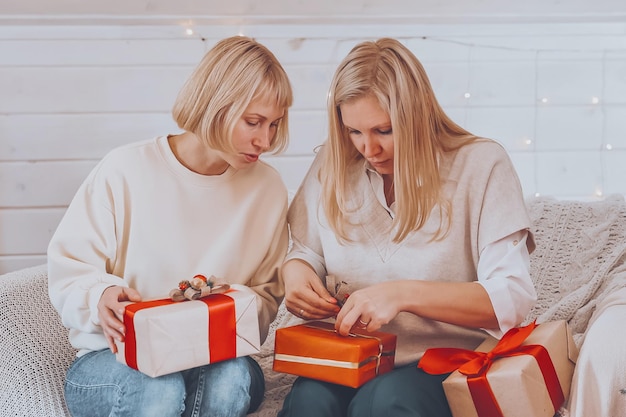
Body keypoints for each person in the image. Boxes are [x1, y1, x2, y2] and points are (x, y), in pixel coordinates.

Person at [277, 38, 536, 417]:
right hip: (351, 354)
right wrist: (296, 276)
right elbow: (305, 252)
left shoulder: (481, 164)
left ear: (417, 115)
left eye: (384, 130)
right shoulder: (332, 165)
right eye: (354, 131)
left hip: (443, 358)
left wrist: (402, 294)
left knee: (382, 402)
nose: (368, 148)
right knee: (308, 403)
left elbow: (512, 299)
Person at [47, 35, 293, 417]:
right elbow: (69, 272)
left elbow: (266, 297)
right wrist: (100, 296)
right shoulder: (124, 169)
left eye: (274, 125)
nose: (265, 140)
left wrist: (221, 308)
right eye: (253, 122)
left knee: (229, 382)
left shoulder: (268, 189)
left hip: (218, 354)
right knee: (157, 387)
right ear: (215, 106)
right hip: (114, 357)